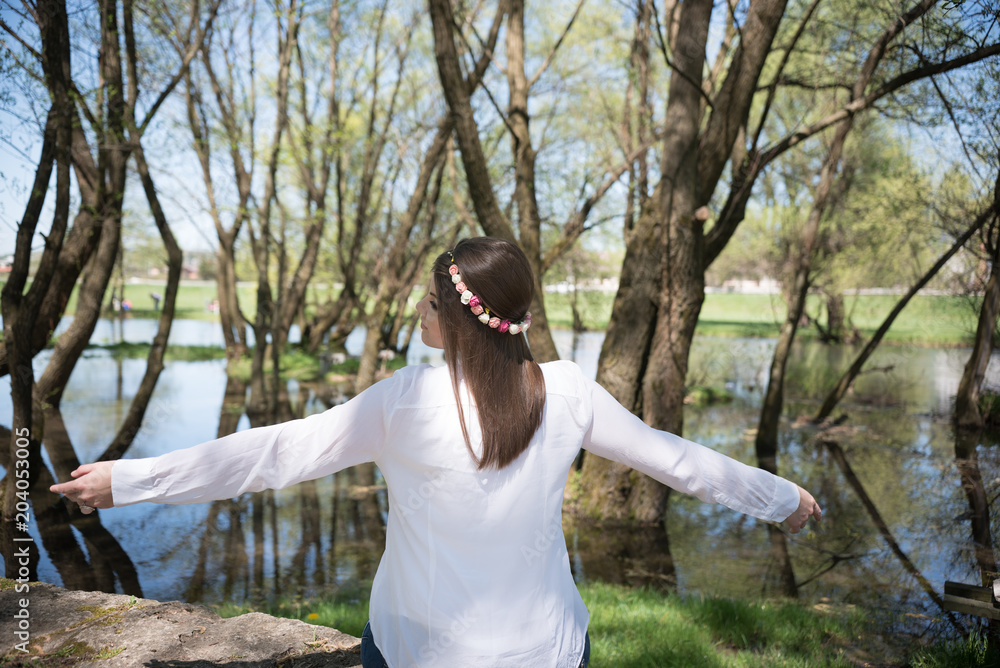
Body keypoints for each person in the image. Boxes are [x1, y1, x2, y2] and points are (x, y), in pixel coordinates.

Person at [51, 237, 822, 668]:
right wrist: (782, 500)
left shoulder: (407, 401)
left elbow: (275, 453)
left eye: (429, 300)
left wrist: (133, 479)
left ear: (456, 318)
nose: (418, 309)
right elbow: (678, 461)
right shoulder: (568, 390)